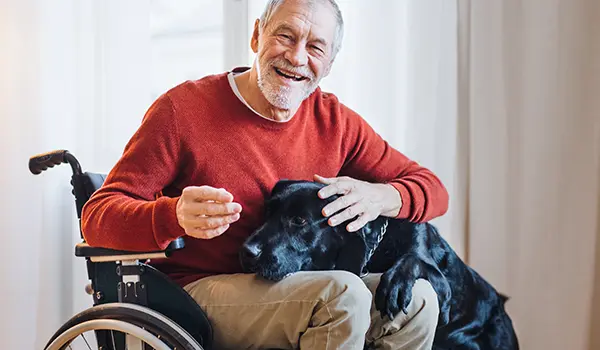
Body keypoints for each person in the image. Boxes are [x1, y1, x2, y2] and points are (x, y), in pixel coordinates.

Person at [81, 0, 449, 349]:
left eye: (316, 47)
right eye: (285, 36)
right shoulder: (182, 110)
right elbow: (97, 216)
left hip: (294, 284)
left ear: (330, 64)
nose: (297, 57)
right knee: (345, 294)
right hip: (196, 295)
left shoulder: (335, 123)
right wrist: (172, 215)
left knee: (418, 300)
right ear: (257, 36)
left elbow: (433, 190)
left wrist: (379, 196)